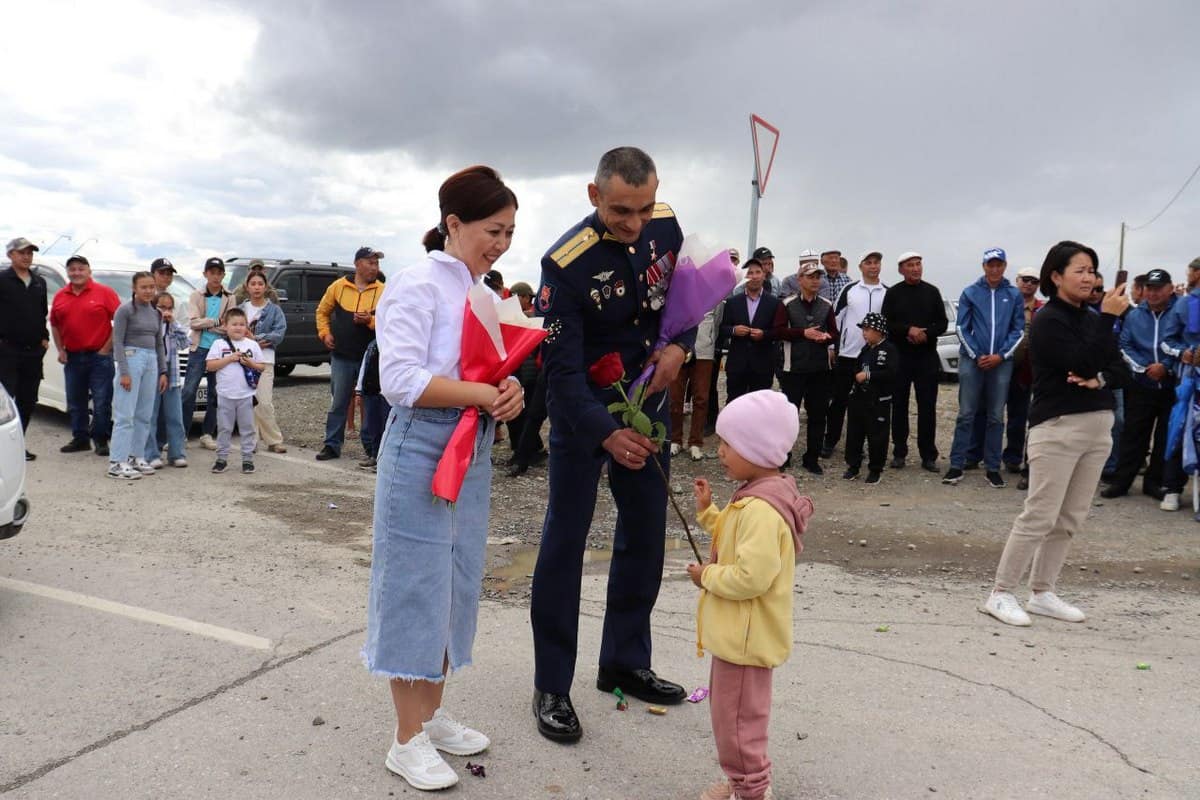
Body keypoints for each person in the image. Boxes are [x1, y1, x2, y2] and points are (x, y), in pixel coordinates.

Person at [363, 166, 523, 791]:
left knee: (456, 582)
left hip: (471, 446)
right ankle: (405, 739)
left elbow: (485, 371)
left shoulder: (484, 293)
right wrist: (485, 392)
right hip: (424, 447)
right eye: (492, 230)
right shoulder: (416, 284)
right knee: (415, 585)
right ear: (453, 223)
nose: (501, 243)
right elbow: (399, 380)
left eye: (510, 232)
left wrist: (505, 393)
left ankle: (429, 713)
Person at [530, 146, 694, 744]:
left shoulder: (666, 226)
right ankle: (552, 684)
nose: (634, 222)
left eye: (643, 208)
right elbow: (561, 372)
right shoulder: (564, 264)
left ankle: (623, 662)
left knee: (646, 535)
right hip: (584, 418)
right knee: (564, 543)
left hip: (646, 404)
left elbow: (681, 304)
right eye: (621, 210)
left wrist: (681, 346)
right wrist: (606, 430)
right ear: (593, 195)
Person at [980, 241, 1129, 627]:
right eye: (1079, 269)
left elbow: (1120, 369)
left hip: (1098, 428)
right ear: (1056, 276)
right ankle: (1000, 592)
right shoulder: (1049, 319)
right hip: (1058, 427)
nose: (1089, 277)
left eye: (1092, 270)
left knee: (1070, 517)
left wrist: (1099, 378)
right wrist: (1108, 323)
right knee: (1040, 515)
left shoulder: (1093, 320)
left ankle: (1042, 592)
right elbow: (1079, 360)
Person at [688, 389, 812, 800]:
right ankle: (744, 782)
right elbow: (735, 539)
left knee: (737, 722)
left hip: (745, 641)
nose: (719, 451)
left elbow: (750, 576)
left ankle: (751, 791)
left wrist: (707, 575)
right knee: (734, 718)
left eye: (728, 444)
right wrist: (709, 513)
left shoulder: (761, 510)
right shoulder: (759, 495)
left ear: (758, 451)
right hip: (740, 637)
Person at [942, 248, 1025, 489]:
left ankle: (992, 467)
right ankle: (956, 464)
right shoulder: (970, 292)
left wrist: (1000, 355)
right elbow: (961, 328)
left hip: (1001, 362)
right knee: (966, 413)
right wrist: (977, 354)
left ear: (1005, 266)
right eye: (991, 264)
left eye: (999, 264)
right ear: (984, 266)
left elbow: (1018, 329)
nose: (995, 269)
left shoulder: (1013, 294)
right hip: (973, 360)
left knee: (996, 416)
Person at [1101, 268, 1183, 508]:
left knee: (1166, 436)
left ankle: (1154, 481)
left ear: (1169, 289)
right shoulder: (1135, 316)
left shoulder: (1179, 312)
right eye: (1149, 288)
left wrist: (1166, 367)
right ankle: (1122, 481)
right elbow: (1125, 344)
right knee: (1133, 433)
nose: (1154, 293)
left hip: (1172, 385)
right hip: (1141, 383)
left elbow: (1184, 342)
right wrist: (1146, 367)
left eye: (1159, 288)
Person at [314, 246, 385, 460]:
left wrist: (370, 321)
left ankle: (372, 448)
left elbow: (389, 321)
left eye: (377, 263)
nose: (375, 267)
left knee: (371, 403)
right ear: (357, 264)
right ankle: (332, 445)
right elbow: (322, 311)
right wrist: (324, 333)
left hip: (370, 359)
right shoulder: (338, 287)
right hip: (342, 355)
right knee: (339, 402)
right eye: (371, 262)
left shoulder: (383, 290)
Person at [881, 252, 948, 472]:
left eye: (918, 264)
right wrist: (907, 330)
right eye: (910, 265)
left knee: (927, 406)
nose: (915, 268)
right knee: (899, 405)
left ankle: (928, 455)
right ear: (901, 269)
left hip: (926, 357)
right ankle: (899, 451)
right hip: (900, 357)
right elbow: (886, 322)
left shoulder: (932, 291)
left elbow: (943, 322)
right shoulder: (893, 293)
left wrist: (925, 333)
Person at [49, 254, 120, 456]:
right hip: (72, 356)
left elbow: (120, 321)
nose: (76, 272)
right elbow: (55, 324)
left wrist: (106, 348)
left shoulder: (104, 292)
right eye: (72, 269)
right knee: (75, 401)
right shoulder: (61, 295)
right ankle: (80, 438)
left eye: (81, 268)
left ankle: (101, 439)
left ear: (89, 271)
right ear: (68, 272)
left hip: (99, 356)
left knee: (101, 400)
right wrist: (61, 349)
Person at [773, 261, 837, 474]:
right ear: (799, 280)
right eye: (810, 276)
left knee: (818, 414)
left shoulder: (827, 304)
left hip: (820, 369)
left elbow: (835, 334)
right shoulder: (787, 304)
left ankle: (812, 458)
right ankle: (784, 456)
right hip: (794, 369)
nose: (815, 281)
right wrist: (803, 333)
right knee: (788, 415)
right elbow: (778, 331)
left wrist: (827, 338)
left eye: (818, 277)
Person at [822, 250, 888, 458]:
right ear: (861, 266)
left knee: (870, 403)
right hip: (849, 354)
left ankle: (865, 445)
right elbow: (835, 318)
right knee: (840, 400)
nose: (873, 266)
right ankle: (830, 440)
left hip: (874, 357)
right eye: (868, 262)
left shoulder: (887, 291)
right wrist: (832, 346)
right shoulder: (849, 290)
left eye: (876, 262)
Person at [108, 272, 167, 480]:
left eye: (151, 286)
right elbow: (117, 342)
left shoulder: (156, 313)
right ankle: (117, 462)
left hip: (151, 361)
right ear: (134, 288)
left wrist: (162, 371)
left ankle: (136, 456)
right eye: (144, 287)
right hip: (132, 359)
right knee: (125, 414)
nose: (149, 291)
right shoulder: (124, 311)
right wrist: (124, 371)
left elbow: (160, 343)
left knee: (144, 414)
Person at [0, 237, 49, 461]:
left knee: (28, 400)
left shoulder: (39, 282)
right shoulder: (2, 280)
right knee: (6, 400)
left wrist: (45, 338)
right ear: (11, 255)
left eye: (30, 253)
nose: (27, 257)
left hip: (32, 352)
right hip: (7, 350)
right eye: (22, 253)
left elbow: (41, 314)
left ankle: (17, 445)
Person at [205, 307, 265, 474]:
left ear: (247, 326)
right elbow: (210, 366)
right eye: (234, 324)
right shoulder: (219, 344)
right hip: (225, 395)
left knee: (247, 428)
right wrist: (229, 359)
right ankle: (221, 458)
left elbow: (262, 366)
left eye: (241, 324)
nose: (238, 327)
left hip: (246, 395)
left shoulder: (252, 345)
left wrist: (250, 364)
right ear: (225, 326)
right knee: (224, 428)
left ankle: (247, 459)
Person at [184, 258, 235, 449]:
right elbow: (193, 322)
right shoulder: (197, 295)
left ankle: (207, 434)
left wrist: (207, 324)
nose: (215, 276)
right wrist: (214, 322)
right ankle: (182, 433)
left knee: (216, 393)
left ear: (223, 275)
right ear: (205, 274)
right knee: (188, 392)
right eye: (211, 272)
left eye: (219, 272)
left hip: (220, 350)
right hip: (199, 349)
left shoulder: (230, 297)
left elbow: (229, 326)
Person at [843, 312, 898, 484]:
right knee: (854, 434)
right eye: (863, 330)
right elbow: (856, 369)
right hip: (859, 398)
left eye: (868, 329)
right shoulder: (865, 350)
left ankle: (875, 469)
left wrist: (868, 375)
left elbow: (891, 373)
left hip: (878, 400)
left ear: (879, 331)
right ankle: (853, 466)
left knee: (877, 436)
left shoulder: (889, 349)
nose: (864, 333)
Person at [720, 259, 781, 402]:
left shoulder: (774, 303)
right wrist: (734, 330)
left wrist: (764, 334)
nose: (754, 276)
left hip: (763, 364)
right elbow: (723, 328)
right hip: (737, 364)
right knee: (735, 403)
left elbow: (778, 331)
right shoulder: (733, 302)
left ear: (764, 276)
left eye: (757, 272)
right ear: (744, 277)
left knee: (760, 406)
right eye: (750, 273)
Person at [241, 271, 288, 453]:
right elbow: (233, 330)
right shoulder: (240, 309)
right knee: (248, 402)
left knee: (264, 401)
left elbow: (279, 333)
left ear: (266, 286)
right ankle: (251, 441)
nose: (257, 287)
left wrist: (256, 338)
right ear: (247, 287)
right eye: (253, 283)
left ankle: (274, 440)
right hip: (243, 360)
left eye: (260, 283)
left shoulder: (274, 310)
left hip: (265, 360)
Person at [142, 291, 189, 468]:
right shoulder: (150, 325)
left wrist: (173, 323)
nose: (166, 311)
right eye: (162, 307)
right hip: (152, 371)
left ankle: (177, 453)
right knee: (151, 415)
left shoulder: (172, 326)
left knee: (175, 415)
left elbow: (185, 343)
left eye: (169, 308)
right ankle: (151, 454)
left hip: (172, 372)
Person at [669, 305, 717, 461]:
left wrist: (708, 340)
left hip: (704, 352)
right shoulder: (680, 290)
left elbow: (718, 322)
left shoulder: (714, 296)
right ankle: (675, 439)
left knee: (701, 398)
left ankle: (695, 442)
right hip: (679, 350)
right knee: (675, 397)